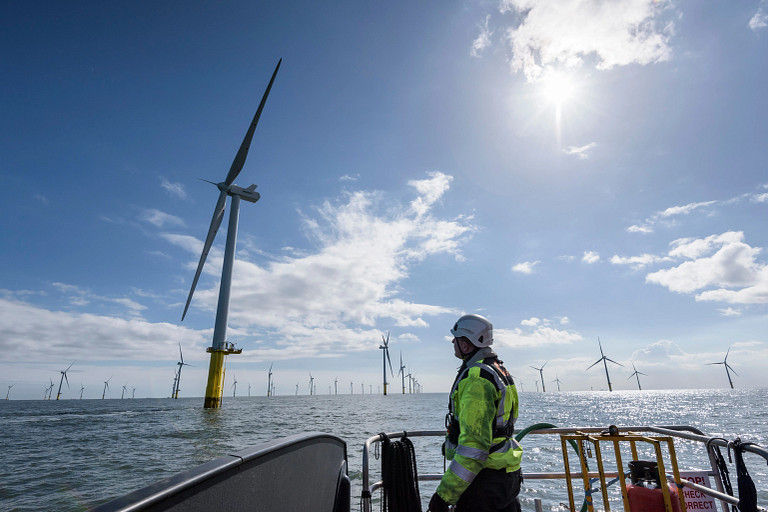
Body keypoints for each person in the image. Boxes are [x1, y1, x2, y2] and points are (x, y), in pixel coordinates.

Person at [428, 314, 523, 512]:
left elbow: (474, 448)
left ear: (466, 345)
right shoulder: (499, 370)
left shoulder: (476, 380)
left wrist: (444, 496)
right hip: (508, 476)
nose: (453, 342)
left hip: (485, 481)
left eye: (457, 338)